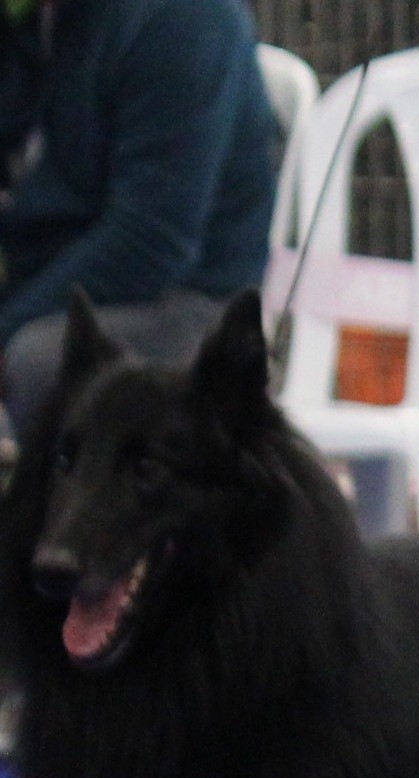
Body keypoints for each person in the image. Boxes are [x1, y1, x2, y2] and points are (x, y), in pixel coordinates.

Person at [0, 0, 279, 446]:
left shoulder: (185, 19)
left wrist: (6, 328)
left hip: (181, 302)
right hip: (50, 284)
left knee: (39, 361)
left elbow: (148, 243)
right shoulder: (39, 22)